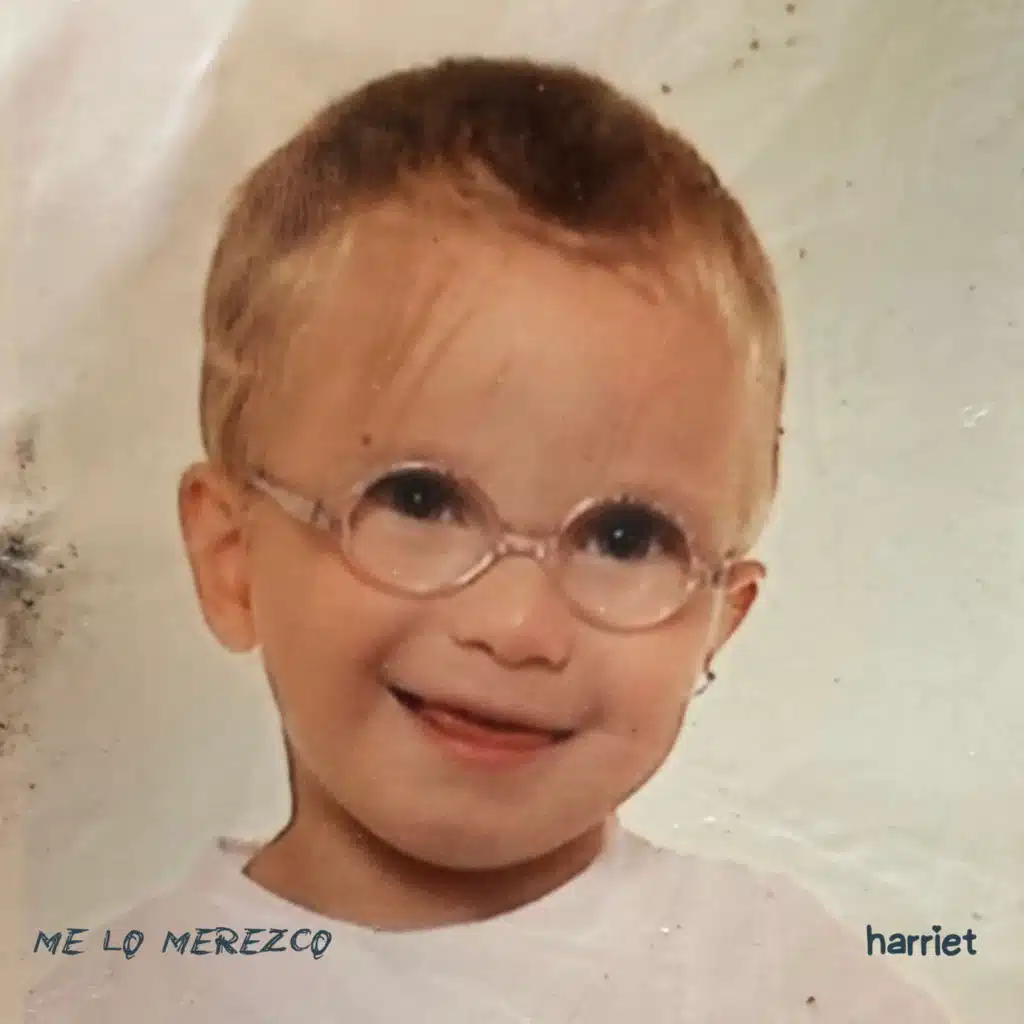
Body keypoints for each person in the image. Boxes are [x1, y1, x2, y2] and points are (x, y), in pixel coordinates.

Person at [27, 57, 951, 1022]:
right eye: (420, 500)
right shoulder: (119, 1002)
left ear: (720, 620)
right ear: (233, 560)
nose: (517, 627)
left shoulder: (788, 981)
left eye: (625, 536)